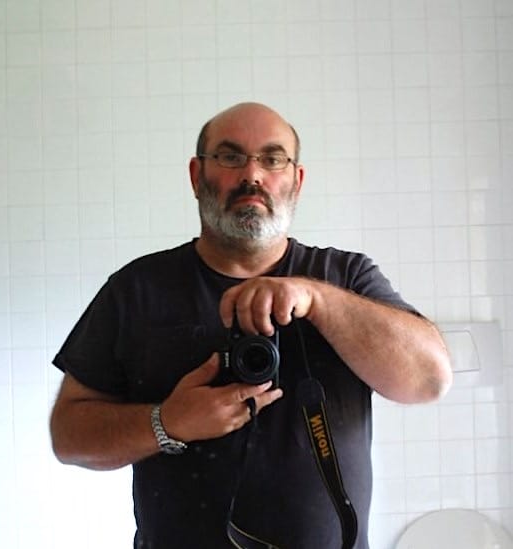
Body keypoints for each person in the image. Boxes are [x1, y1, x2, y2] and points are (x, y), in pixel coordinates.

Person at [50, 102, 452, 549]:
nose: (252, 175)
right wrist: (168, 422)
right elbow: (69, 436)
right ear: (196, 175)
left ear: (296, 181)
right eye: (230, 156)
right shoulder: (138, 290)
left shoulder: (345, 278)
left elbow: (430, 380)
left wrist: (315, 298)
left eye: (273, 158)